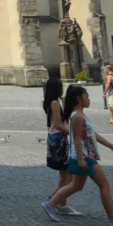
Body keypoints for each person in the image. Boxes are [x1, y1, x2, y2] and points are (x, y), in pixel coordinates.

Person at [44, 85, 113, 226]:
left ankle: (50, 204)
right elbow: (77, 139)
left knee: (75, 186)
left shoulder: (80, 115)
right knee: (104, 184)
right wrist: (80, 159)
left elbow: (93, 135)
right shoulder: (77, 117)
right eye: (87, 96)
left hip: (85, 156)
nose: (89, 99)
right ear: (79, 99)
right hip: (85, 157)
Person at [43, 78, 82, 216]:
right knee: (65, 174)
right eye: (60, 86)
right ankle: (54, 199)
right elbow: (59, 125)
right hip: (58, 139)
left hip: (58, 138)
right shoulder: (54, 103)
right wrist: (72, 134)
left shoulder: (55, 102)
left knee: (65, 175)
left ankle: (61, 202)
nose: (62, 88)